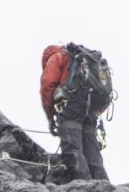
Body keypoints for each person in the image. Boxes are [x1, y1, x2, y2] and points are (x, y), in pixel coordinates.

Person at [40, 43, 112, 182]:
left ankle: (83, 187)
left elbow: (47, 85)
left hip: (71, 106)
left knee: (72, 149)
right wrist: (94, 112)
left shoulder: (57, 57)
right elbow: (104, 94)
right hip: (90, 109)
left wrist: (50, 116)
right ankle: (103, 186)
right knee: (92, 151)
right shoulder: (85, 62)